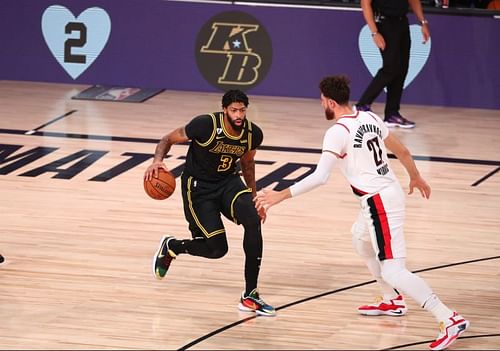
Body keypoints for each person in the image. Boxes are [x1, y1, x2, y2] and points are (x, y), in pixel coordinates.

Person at [255, 76, 469, 349]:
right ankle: (391, 299)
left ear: (331, 102)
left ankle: (448, 318)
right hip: (385, 194)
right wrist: (415, 177)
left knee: (393, 269)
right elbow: (402, 151)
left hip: (379, 202)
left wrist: (280, 195)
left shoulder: (337, 131)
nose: (321, 104)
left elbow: (321, 176)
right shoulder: (370, 117)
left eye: (322, 100)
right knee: (360, 240)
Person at [144, 90, 275, 317]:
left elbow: (248, 163)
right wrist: (157, 161)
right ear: (225, 110)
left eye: (242, 110)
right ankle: (172, 247)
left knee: (253, 221)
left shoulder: (253, 133)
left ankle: (250, 294)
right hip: (198, 188)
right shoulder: (204, 125)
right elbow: (167, 139)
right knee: (216, 249)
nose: (239, 115)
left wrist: (254, 197)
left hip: (228, 183)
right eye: (234, 110)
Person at [355, 0, 431, 129]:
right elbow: (365, 3)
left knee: (402, 68)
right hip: (384, 23)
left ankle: (392, 114)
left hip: (402, 22)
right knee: (391, 67)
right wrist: (374, 32)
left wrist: (423, 22)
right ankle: (362, 105)